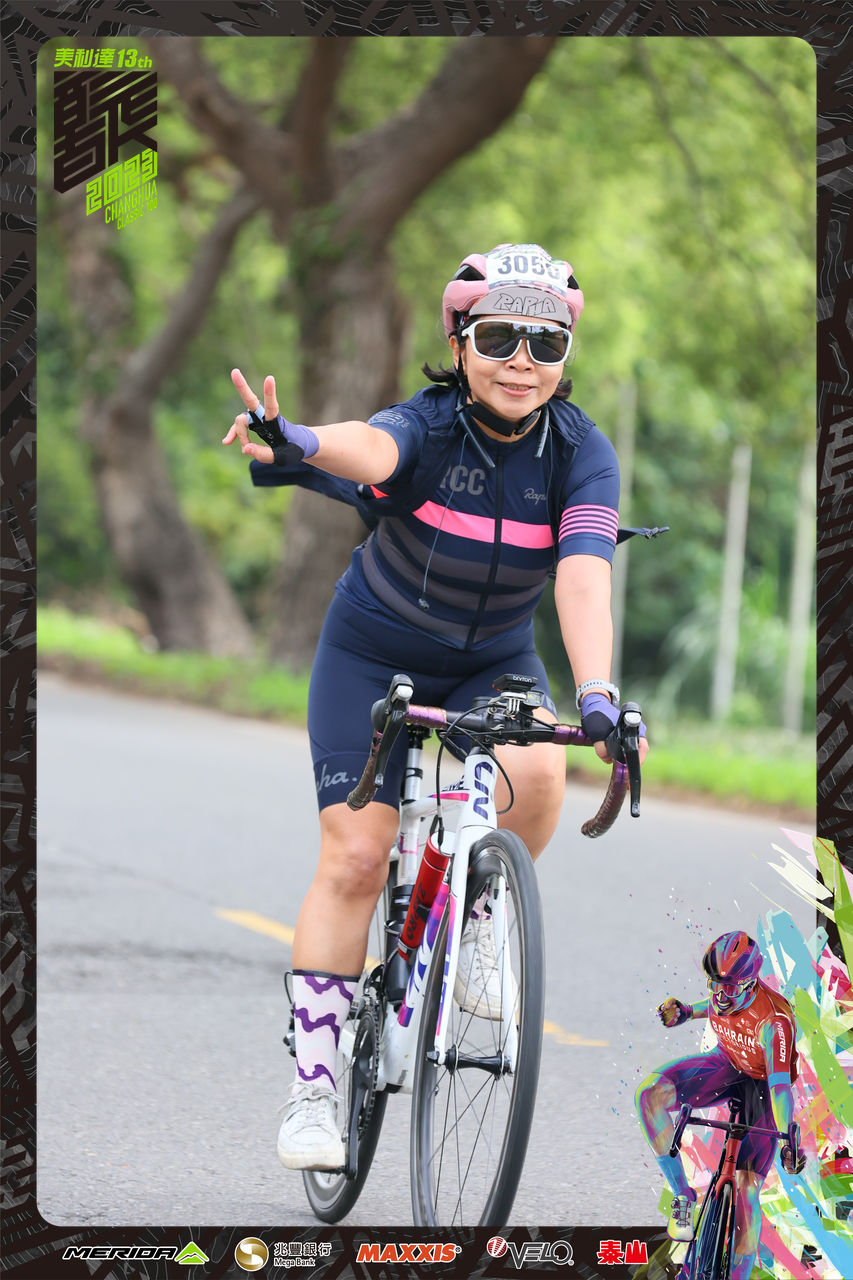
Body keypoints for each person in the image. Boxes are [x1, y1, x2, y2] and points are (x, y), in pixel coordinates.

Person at [223, 242, 648, 1171]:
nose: (521, 362)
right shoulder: (427, 424)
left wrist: (596, 694)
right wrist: (299, 438)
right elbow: (370, 449)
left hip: (492, 659)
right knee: (355, 857)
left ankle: (480, 910)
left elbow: (582, 575)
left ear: (565, 355)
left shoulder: (581, 453)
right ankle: (314, 1090)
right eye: (498, 339)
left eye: (545, 343)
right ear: (459, 343)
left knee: (541, 769)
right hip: (372, 655)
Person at [635, 930, 806, 1280]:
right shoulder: (725, 992)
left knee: (745, 1191)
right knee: (649, 1095)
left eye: (729, 987)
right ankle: (683, 1196)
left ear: (751, 983)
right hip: (725, 1064)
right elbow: (712, 1006)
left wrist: (789, 1137)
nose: (720, 995)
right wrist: (685, 1012)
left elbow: (779, 1087)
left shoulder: (774, 1022)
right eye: (715, 984)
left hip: (763, 1087)